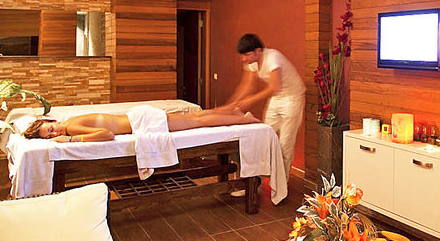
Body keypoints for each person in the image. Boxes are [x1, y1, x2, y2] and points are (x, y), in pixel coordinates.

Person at [227, 34, 305, 176]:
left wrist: (250, 100)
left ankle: (282, 182)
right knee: (264, 136)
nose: (244, 59)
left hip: (292, 98)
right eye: (242, 55)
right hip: (277, 98)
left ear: (258, 51)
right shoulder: (251, 63)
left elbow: (275, 87)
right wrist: (230, 104)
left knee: (285, 144)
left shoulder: (272, 57)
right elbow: (247, 86)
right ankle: (258, 179)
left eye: (247, 55)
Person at [23, 104, 259, 142]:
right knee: (196, 118)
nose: (54, 134)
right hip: (139, 118)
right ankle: (235, 113)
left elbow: (106, 134)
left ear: (53, 121)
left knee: (197, 121)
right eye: (49, 136)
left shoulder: (71, 127)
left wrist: (71, 140)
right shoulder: (70, 122)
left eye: (51, 129)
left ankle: (243, 118)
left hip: (142, 121)